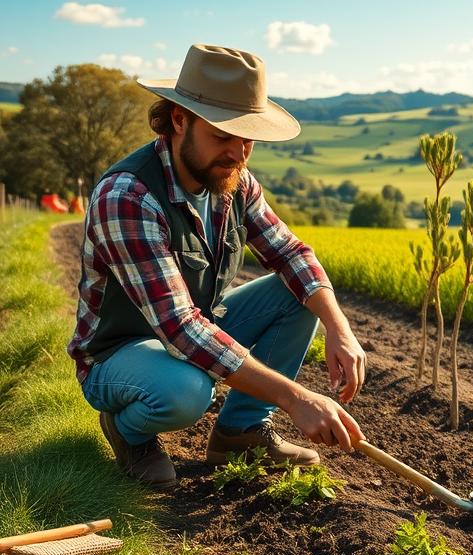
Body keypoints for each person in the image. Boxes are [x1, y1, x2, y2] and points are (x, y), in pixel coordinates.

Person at [67, 44, 366, 490]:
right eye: (224, 135)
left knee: (298, 292)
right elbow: (181, 329)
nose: (238, 153)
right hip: (119, 354)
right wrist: (296, 398)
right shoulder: (127, 198)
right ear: (179, 120)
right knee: (187, 391)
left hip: (189, 332)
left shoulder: (234, 182)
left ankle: (240, 433)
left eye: (248, 138)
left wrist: (338, 327)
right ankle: (128, 431)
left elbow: (292, 255)